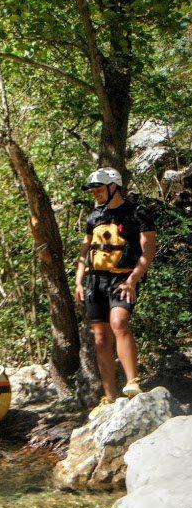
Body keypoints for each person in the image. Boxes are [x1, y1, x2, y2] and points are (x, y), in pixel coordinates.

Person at [75, 167, 156, 418]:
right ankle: (110, 395)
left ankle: (133, 382)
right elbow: (85, 252)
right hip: (96, 282)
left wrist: (132, 280)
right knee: (100, 337)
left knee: (119, 322)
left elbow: (148, 251)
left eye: (98, 188)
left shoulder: (137, 213)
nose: (95, 193)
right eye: (92, 190)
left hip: (123, 279)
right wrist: (79, 282)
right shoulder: (93, 217)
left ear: (114, 187)